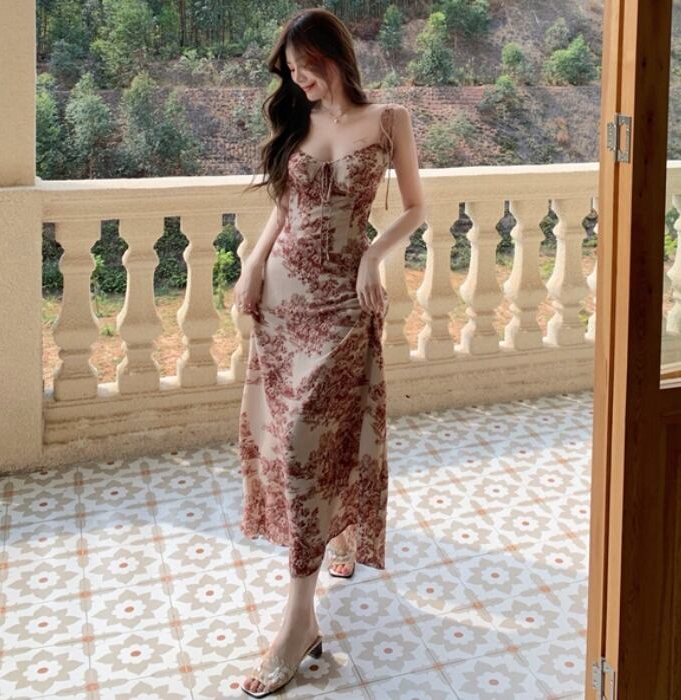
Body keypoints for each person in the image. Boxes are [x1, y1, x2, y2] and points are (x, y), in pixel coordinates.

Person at [233, 8, 426, 697]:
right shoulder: (301, 122)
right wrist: (252, 266)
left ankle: (296, 625)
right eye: (289, 71)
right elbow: (284, 209)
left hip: (345, 302)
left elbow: (416, 207)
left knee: (313, 439)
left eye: (305, 67)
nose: (299, 80)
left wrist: (374, 256)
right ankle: (310, 590)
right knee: (291, 444)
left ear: (333, 55)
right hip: (284, 300)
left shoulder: (390, 120)